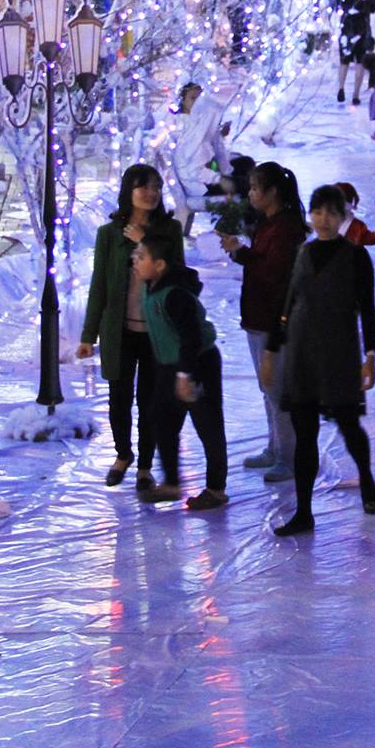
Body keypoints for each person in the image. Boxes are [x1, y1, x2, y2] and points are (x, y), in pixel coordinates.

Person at [266, 184, 375, 536]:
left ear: (343, 216)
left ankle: (366, 478)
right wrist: (272, 348)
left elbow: (367, 310)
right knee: (305, 435)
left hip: (338, 353)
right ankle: (304, 511)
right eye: (318, 212)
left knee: (348, 425)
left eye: (331, 212)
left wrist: (370, 355)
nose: (324, 219)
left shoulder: (356, 257)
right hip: (302, 354)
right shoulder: (302, 252)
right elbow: (287, 304)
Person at [79, 163, 185, 493]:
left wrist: (147, 242)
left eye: (155, 187)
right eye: (143, 187)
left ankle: (145, 466)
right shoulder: (109, 234)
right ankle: (123, 455)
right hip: (119, 330)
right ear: (129, 191)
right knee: (119, 398)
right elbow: (99, 285)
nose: (151, 193)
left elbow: (180, 278)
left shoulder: (170, 230)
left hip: (156, 332)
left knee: (151, 400)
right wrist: (88, 335)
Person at [220, 162, 308, 482]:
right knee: (268, 388)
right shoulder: (267, 223)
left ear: (272, 192)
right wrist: (240, 252)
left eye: (256, 188)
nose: (251, 194)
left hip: (275, 321)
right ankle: (275, 448)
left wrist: (243, 253)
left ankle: (288, 457)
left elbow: (275, 275)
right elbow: (262, 264)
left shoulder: (286, 229)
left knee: (278, 390)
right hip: (257, 317)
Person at [132, 234, 228, 510]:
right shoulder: (152, 287)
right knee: (160, 418)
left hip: (198, 363)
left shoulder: (174, 295)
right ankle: (172, 483)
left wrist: (185, 375)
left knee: (208, 424)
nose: (135, 261)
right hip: (171, 364)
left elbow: (191, 337)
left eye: (141, 257)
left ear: (159, 264)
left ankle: (216, 489)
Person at [158, 84, 230, 226]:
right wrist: (219, 178)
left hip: (207, 173)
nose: (198, 104)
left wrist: (219, 135)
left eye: (200, 99)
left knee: (245, 164)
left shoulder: (200, 122)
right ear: (183, 101)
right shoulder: (182, 125)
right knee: (245, 184)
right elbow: (193, 164)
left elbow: (208, 150)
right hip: (199, 184)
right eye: (193, 98)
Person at [335, 0, 375, 106]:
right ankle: (356, 94)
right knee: (360, 61)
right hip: (362, 27)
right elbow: (373, 7)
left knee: (344, 60)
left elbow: (338, 4)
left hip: (347, 27)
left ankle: (341, 88)